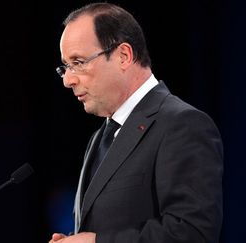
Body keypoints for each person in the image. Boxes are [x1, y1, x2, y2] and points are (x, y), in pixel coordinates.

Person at [49, 3, 223, 243]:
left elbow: (193, 233)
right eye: (65, 67)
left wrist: (97, 242)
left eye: (78, 63)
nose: (68, 80)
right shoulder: (100, 137)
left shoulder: (182, 124)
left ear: (123, 56)